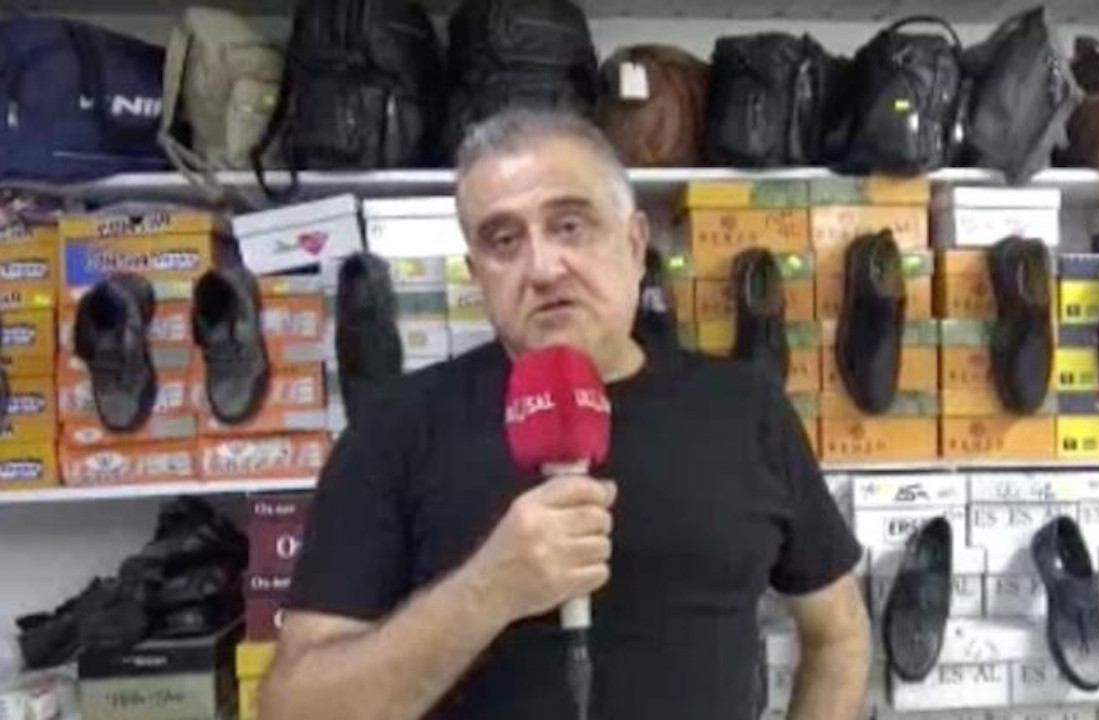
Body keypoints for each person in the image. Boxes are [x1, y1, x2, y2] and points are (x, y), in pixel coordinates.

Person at [259, 109, 870, 720]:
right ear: (476, 276)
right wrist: (486, 590)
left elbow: (839, 635)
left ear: (635, 245)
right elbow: (294, 710)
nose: (543, 268)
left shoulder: (745, 408)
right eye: (504, 241)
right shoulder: (393, 430)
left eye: (570, 226)